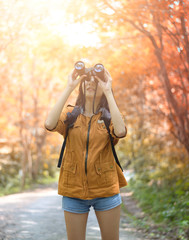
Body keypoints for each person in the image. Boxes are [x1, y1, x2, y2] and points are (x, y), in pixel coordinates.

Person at [44, 61, 128, 240]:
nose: (90, 83)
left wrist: (108, 90)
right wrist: (69, 87)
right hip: (73, 190)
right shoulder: (71, 115)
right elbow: (49, 124)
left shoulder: (109, 116)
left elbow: (120, 132)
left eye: (96, 80)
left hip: (106, 189)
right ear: (81, 86)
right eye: (87, 80)